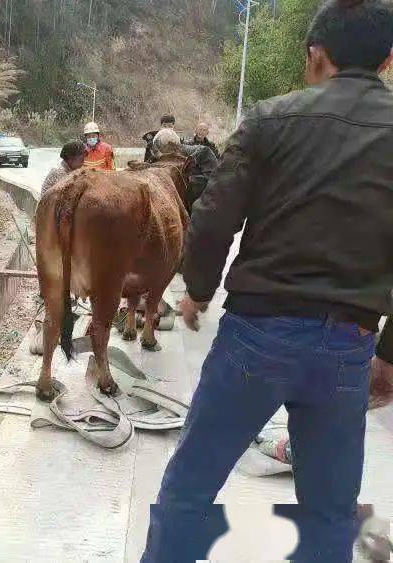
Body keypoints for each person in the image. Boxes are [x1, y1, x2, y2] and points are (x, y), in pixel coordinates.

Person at [142, 2, 393, 562]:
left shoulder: (270, 118)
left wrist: (198, 290)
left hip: (256, 336)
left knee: (190, 488)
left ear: (315, 56)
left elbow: (211, 218)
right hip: (349, 345)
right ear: (388, 60)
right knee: (329, 512)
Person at [152, 129, 217, 214]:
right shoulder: (158, 159)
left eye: (167, 147)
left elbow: (213, 183)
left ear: (175, 146)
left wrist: (186, 182)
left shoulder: (203, 152)